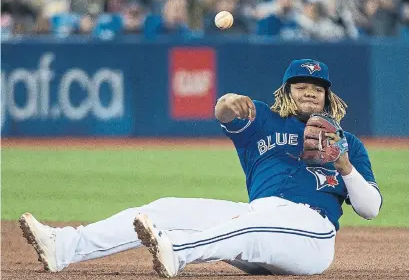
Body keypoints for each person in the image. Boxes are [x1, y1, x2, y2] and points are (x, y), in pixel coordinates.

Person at [20, 59, 382, 276]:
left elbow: (371, 209)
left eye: (316, 89)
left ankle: (177, 251)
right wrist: (227, 102)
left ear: (327, 96)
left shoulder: (349, 143)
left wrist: (345, 165)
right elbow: (224, 112)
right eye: (300, 86)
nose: (308, 93)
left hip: (310, 235)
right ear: (286, 92)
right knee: (166, 208)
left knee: (250, 226)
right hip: (257, 218)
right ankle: (65, 246)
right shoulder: (263, 119)